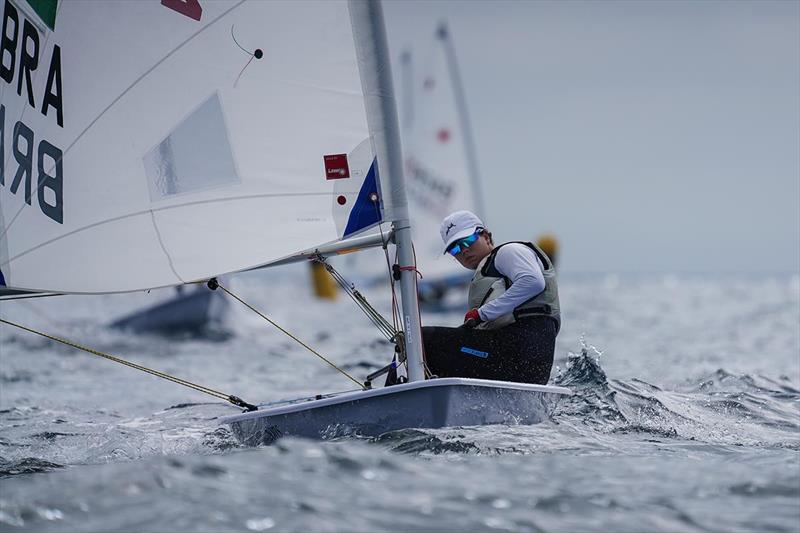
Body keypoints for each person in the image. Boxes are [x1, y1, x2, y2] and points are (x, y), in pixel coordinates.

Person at [417, 210, 560, 385]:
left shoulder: (508, 252)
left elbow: (533, 282)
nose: (464, 251)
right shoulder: (488, 272)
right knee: (439, 353)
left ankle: (388, 402)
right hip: (517, 361)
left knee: (422, 340)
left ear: (486, 236)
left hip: (521, 353)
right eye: (455, 248)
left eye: (467, 241)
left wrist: (481, 314)